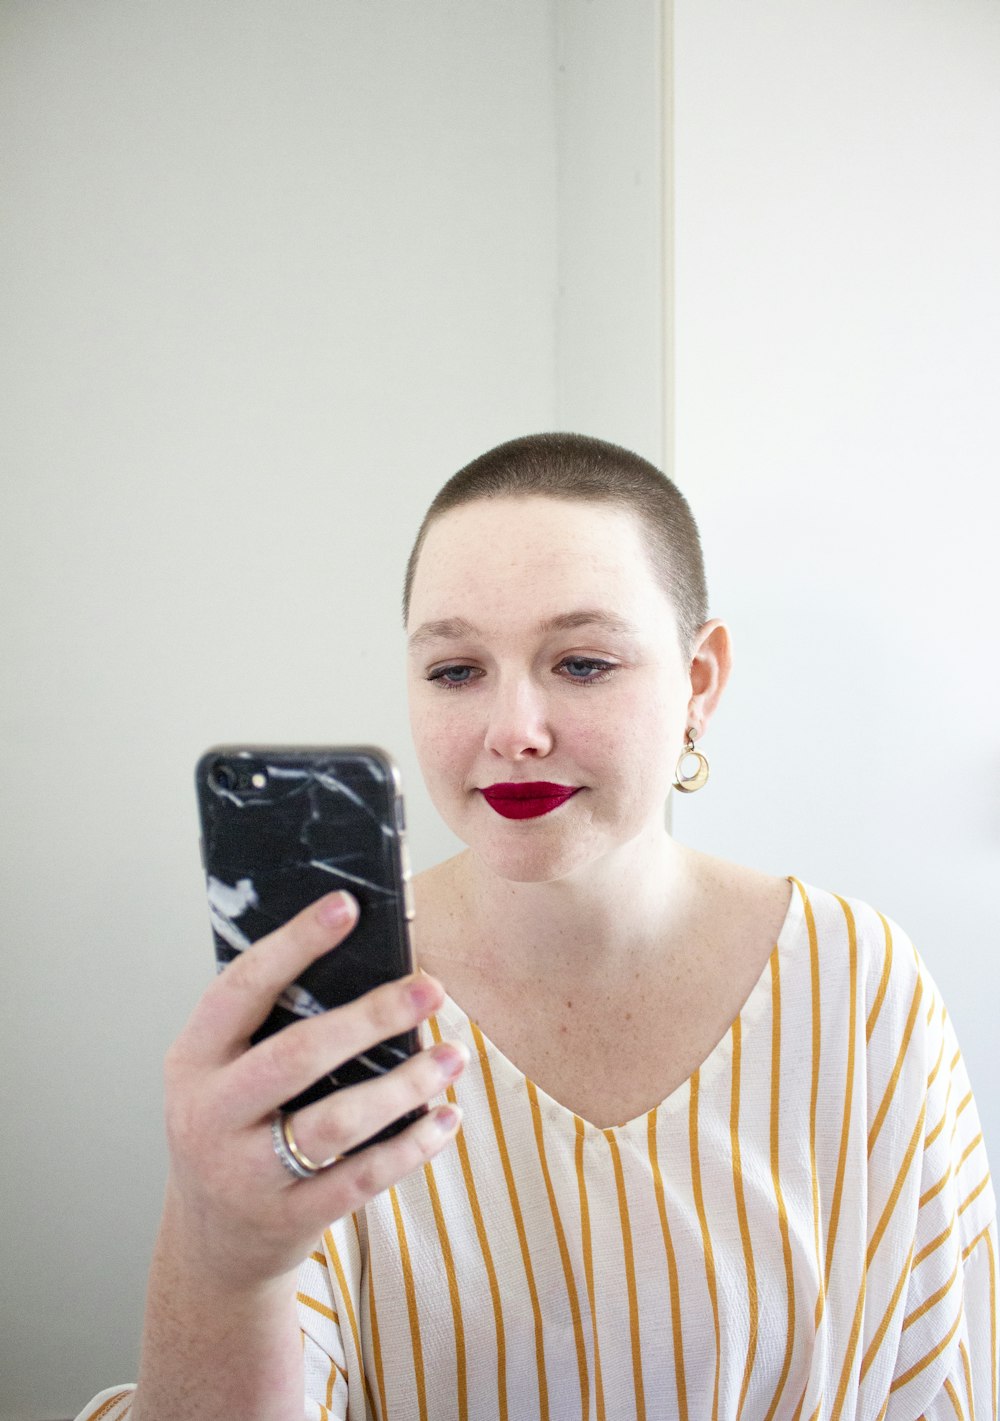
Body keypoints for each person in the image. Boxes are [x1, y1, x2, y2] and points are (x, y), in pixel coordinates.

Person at [78, 434, 996, 1421]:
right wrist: (224, 1262)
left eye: (582, 661)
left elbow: (948, 1379)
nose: (514, 728)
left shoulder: (856, 981)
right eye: (455, 669)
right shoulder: (326, 1006)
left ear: (699, 680)